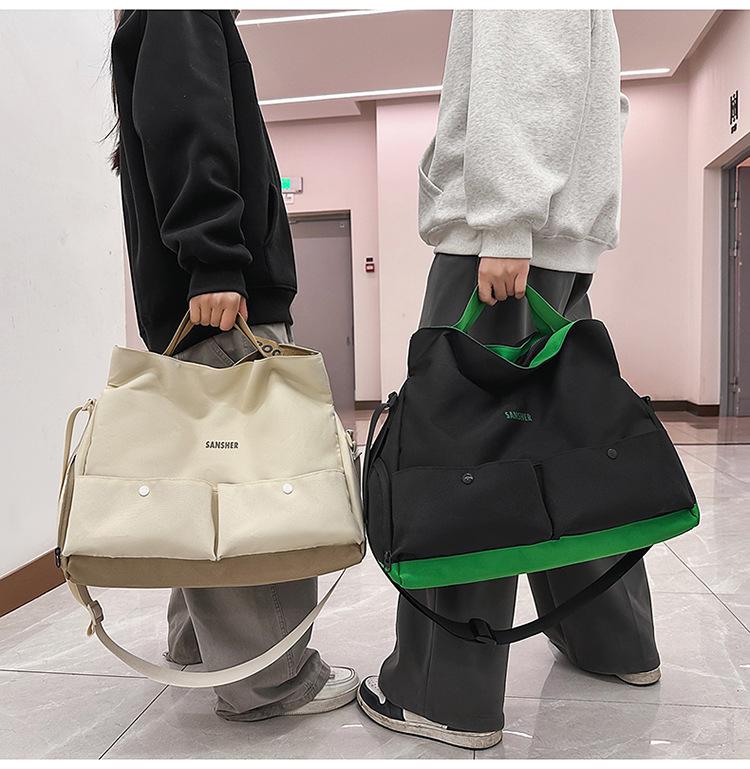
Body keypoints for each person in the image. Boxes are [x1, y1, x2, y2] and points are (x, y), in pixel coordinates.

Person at [357, 10, 659, 749]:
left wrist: (505, 225)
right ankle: (613, 642)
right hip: (558, 242)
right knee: (570, 446)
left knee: (463, 464)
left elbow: (524, 67)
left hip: (502, 245)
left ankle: (444, 696)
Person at [109, 9, 358, 721]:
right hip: (221, 299)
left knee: (208, 479)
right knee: (258, 487)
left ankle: (198, 645)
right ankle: (269, 682)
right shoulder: (183, 10)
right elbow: (190, 121)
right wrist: (215, 257)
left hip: (199, 303)